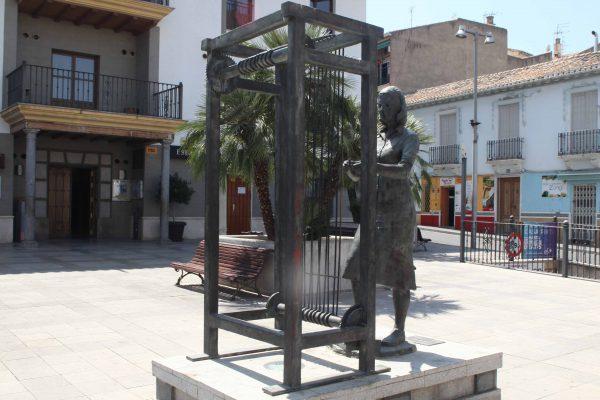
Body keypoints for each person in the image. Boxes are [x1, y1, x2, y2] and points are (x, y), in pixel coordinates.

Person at [343, 86, 419, 351]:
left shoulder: (409, 138)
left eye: (387, 106)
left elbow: (403, 170)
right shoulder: (377, 139)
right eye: (379, 106)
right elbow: (369, 172)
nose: (381, 111)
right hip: (374, 211)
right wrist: (355, 172)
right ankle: (362, 321)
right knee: (354, 265)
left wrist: (371, 166)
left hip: (398, 213)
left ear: (399, 109)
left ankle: (399, 330)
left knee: (400, 273)